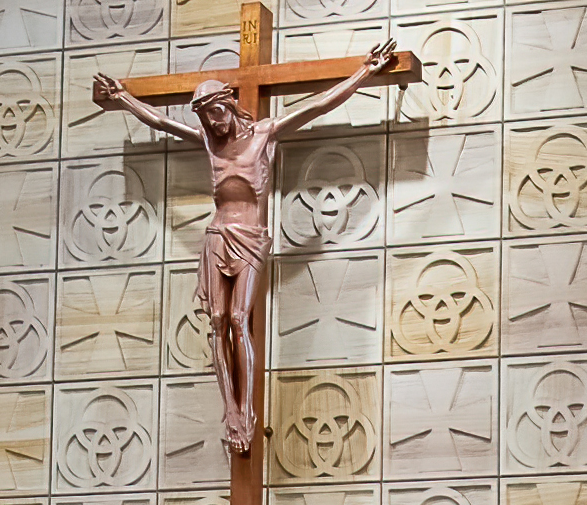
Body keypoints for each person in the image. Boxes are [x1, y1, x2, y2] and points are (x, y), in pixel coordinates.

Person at [92, 39, 400, 453]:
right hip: (217, 235)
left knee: (239, 318)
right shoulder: (208, 142)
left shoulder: (263, 134)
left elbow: (318, 106)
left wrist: (365, 72)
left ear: (230, 104)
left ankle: (247, 408)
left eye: (217, 112)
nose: (214, 123)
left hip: (251, 237)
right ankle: (231, 410)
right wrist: (123, 98)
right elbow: (162, 122)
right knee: (217, 321)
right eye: (206, 117)